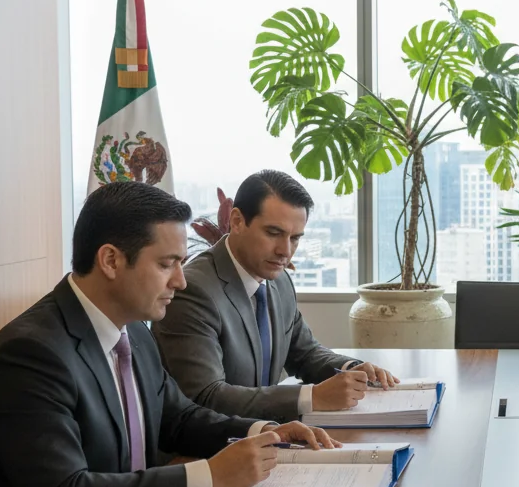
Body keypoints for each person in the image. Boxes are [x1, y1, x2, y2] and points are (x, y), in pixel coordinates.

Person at [0, 182, 341, 487]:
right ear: (112, 260)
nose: (180, 279)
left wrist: (261, 432)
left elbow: (178, 418)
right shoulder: (30, 355)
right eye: (167, 264)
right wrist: (210, 475)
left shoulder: (131, 329)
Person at [153, 170, 396, 423]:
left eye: (295, 238)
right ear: (237, 221)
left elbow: (304, 353)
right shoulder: (192, 290)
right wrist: (312, 397)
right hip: (209, 451)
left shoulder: (279, 281)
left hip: (265, 438)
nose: (285, 251)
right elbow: (206, 396)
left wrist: (351, 369)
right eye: (273, 233)